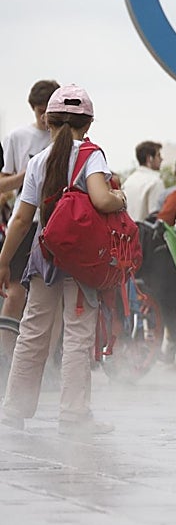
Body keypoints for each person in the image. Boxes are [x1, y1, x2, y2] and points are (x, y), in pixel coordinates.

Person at [0, 84, 125, 434]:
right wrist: (120, 197)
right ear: (88, 124)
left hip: (44, 254)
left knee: (33, 331)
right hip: (82, 260)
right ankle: (73, 414)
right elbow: (101, 200)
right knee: (78, 333)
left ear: (50, 122)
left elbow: (22, 219)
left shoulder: (38, 161)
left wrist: (3, 259)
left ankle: (14, 408)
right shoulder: (91, 155)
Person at [0, 79, 59, 362]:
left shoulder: (64, 138)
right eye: (39, 111)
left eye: (49, 111)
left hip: (55, 223)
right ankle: (6, 357)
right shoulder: (17, 137)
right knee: (14, 293)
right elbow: (3, 185)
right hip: (25, 221)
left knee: (53, 295)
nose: (45, 118)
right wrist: (28, 174)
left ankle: (46, 363)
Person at [123, 140, 165, 223]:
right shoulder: (155, 182)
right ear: (150, 158)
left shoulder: (128, 181)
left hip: (129, 232)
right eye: (158, 155)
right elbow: (156, 217)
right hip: (145, 233)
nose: (161, 159)